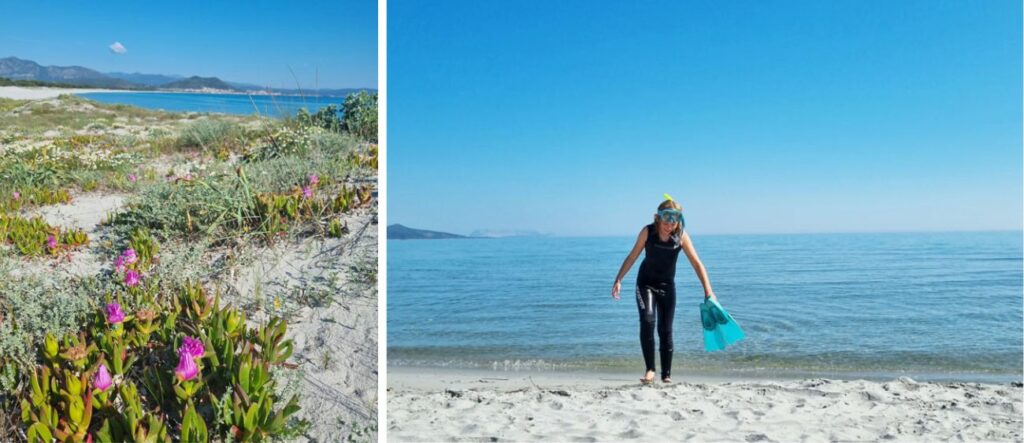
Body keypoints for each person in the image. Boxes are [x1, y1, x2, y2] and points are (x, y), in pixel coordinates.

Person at [611, 195, 716, 384]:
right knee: (647, 320)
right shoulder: (647, 232)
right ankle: (650, 369)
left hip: (667, 287)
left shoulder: (681, 236)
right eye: (666, 221)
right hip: (645, 284)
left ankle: (666, 374)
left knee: (665, 330)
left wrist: (708, 291)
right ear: (658, 218)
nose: (669, 226)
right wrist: (619, 279)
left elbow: (697, 264)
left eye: (674, 222)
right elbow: (633, 256)